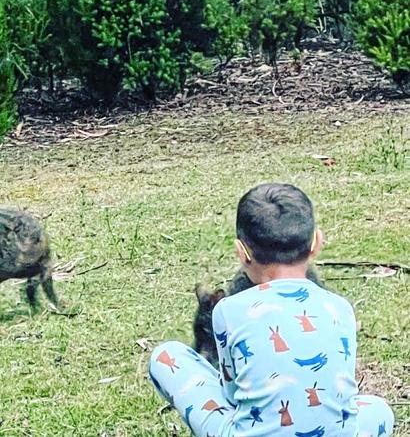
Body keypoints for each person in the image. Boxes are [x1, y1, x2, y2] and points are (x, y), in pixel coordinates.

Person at [149, 183, 395, 437]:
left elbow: (232, 393)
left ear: (242, 252)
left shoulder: (228, 310)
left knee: (165, 356)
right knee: (378, 410)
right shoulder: (341, 308)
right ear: (317, 243)